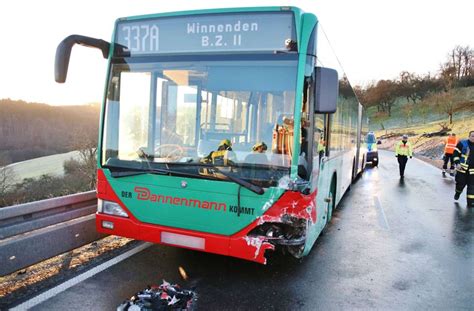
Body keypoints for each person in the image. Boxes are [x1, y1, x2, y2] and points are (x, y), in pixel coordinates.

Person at [452, 131, 474, 207]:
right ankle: (457, 193)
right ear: (469, 136)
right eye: (472, 136)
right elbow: (455, 154)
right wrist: (457, 163)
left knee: (472, 187)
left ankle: (470, 202)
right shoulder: (462, 143)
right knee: (460, 185)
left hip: (472, 172)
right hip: (462, 169)